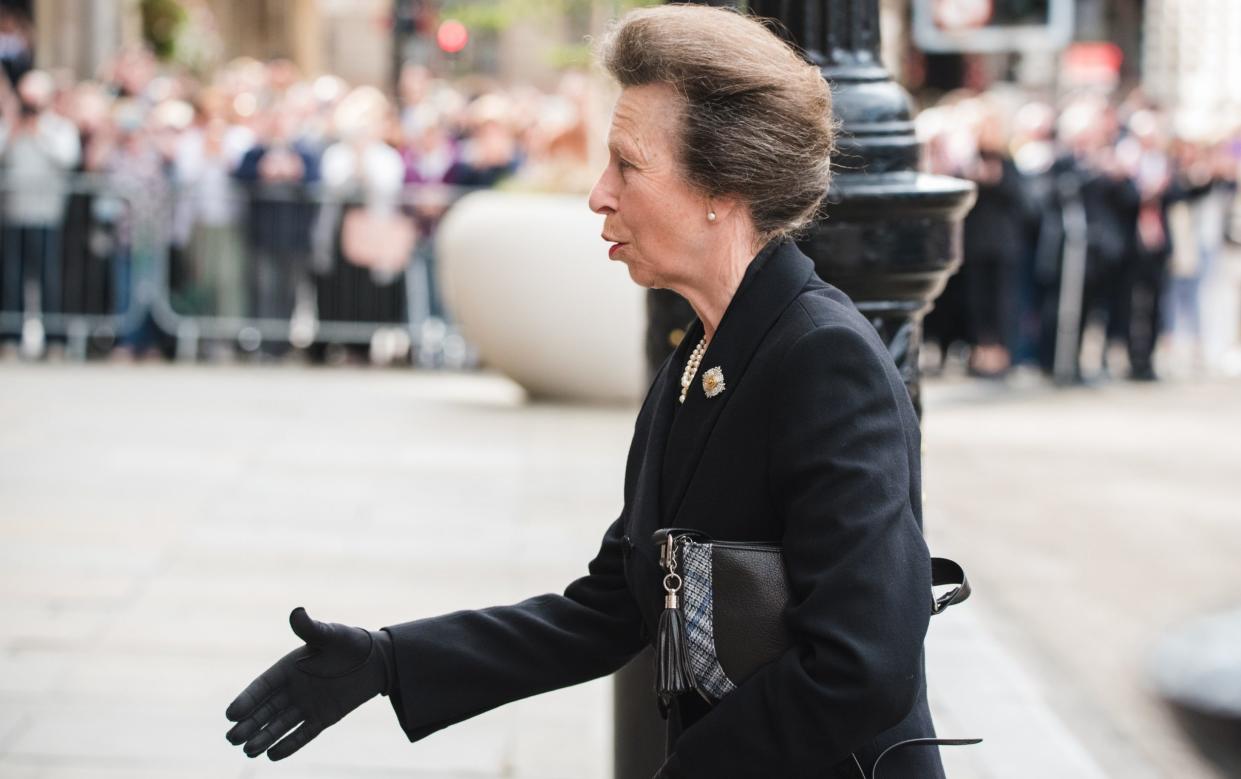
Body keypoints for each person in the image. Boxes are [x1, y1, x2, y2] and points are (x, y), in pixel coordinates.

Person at [224, 6, 945, 777]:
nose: (599, 194)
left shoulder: (822, 359)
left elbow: (862, 664)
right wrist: (389, 660)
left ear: (723, 187)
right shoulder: (706, 346)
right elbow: (615, 604)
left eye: (627, 165)